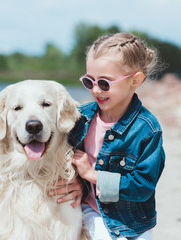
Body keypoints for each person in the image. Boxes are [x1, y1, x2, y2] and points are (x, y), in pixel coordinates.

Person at [69, 33, 165, 239]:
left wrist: (92, 174)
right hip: (91, 209)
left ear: (135, 80)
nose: (96, 90)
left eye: (104, 83)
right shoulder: (81, 118)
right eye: (89, 81)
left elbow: (143, 186)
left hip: (133, 220)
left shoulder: (147, 129)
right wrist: (77, 182)